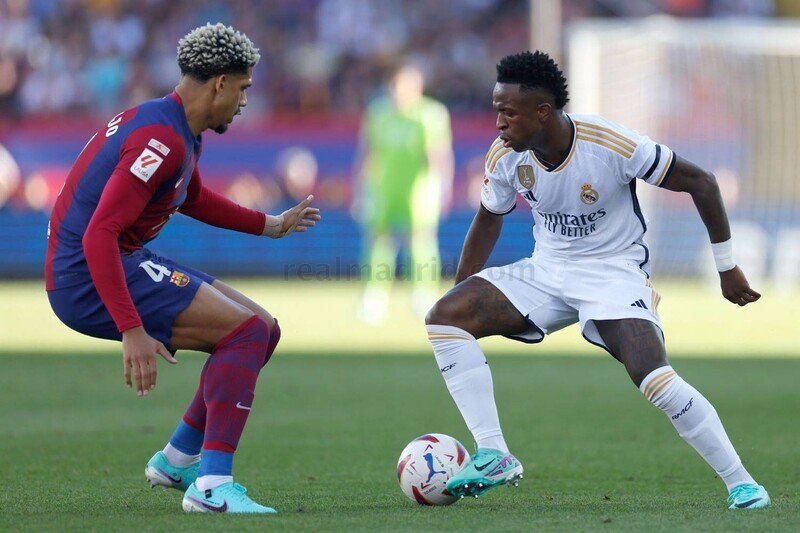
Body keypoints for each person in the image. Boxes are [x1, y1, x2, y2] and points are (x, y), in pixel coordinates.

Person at [425, 51, 769, 510]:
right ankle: (493, 452)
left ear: (542, 112)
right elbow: (489, 217)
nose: (499, 123)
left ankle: (742, 482)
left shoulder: (611, 143)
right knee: (445, 318)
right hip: (547, 270)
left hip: (613, 273)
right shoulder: (506, 156)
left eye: (507, 112)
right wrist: (461, 289)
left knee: (652, 377)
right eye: (496, 111)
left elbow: (702, 182)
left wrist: (727, 268)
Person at [45, 23, 320, 514]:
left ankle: (176, 461)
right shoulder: (162, 138)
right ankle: (211, 485)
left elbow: (190, 197)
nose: (243, 102)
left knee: (264, 330)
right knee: (246, 334)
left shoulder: (175, 128)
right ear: (220, 83)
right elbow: (98, 233)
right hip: (89, 273)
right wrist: (131, 328)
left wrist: (271, 225)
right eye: (243, 89)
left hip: (115, 260)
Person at [353, 63, 454, 323]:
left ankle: (423, 296)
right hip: (385, 189)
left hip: (419, 190)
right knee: (379, 242)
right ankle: (374, 298)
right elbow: (368, 153)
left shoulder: (431, 114)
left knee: (421, 242)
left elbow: (439, 155)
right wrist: (360, 189)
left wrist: (443, 187)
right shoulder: (378, 113)